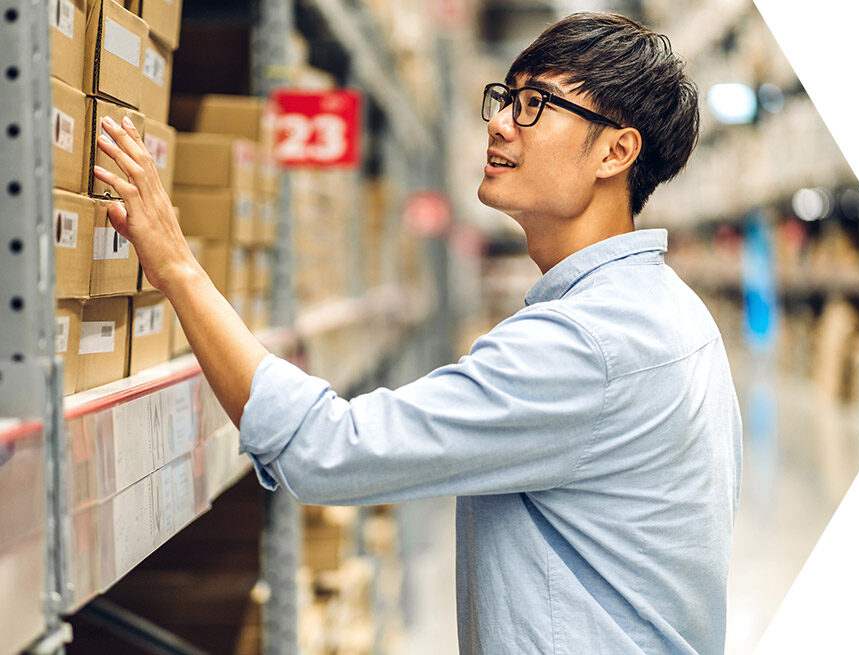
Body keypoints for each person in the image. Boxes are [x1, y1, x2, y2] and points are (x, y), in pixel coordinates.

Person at [90, 12, 741, 655]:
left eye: (536, 103)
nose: (500, 121)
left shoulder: (584, 344)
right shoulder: (677, 315)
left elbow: (322, 449)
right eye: (506, 97)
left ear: (616, 151)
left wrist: (174, 263)